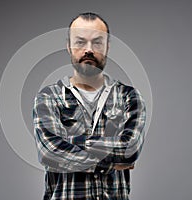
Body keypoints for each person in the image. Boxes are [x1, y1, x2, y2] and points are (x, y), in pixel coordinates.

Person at [33, 12, 146, 200]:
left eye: (97, 42)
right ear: (69, 46)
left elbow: (129, 150)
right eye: (80, 42)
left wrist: (71, 142)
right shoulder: (49, 97)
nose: (89, 49)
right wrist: (107, 163)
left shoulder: (129, 97)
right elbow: (50, 152)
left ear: (107, 47)